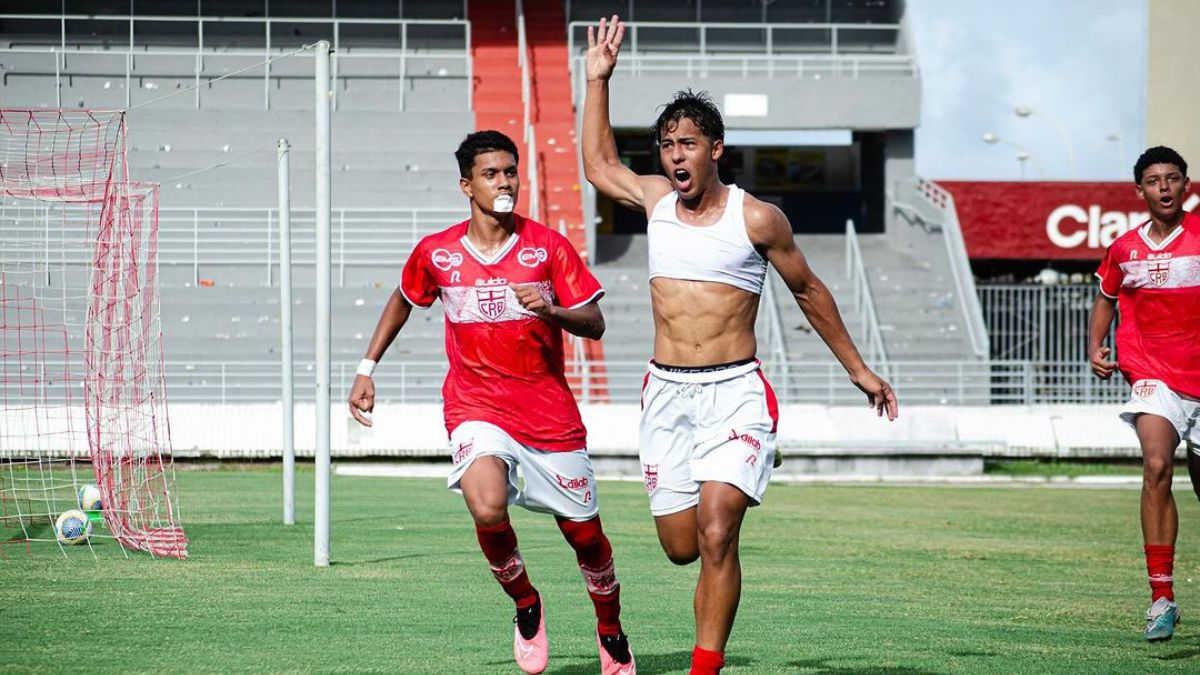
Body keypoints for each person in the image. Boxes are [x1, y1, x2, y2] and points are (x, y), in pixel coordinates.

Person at [581, 16, 898, 675]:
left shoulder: (757, 218)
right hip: (665, 393)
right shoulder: (655, 202)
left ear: (715, 148)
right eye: (667, 144)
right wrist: (597, 80)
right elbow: (598, 164)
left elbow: (809, 291)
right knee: (681, 546)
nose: (674, 156)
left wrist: (859, 369)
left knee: (719, 530)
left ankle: (706, 664)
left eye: (687, 143)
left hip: (735, 395)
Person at [348, 130, 636, 674]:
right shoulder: (437, 251)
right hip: (475, 406)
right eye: (491, 173)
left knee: (585, 538)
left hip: (548, 414)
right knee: (485, 505)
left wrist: (550, 310)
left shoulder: (548, 247)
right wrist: (368, 368)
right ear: (466, 185)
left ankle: (611, 627)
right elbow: (404, 299)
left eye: (510, 171)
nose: (504, 181)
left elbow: (595, 324)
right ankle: (527, 603)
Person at [1090, 145, 1200, 642]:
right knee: (1156, 464)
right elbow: (1106, 299)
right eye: (1153, 180)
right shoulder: (1124, 248)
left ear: (1186, 185)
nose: (1163, 187)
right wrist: (1095, 347)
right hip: (1152, 372)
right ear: (1140, 191)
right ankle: (1162, 597)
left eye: (1172, 178)